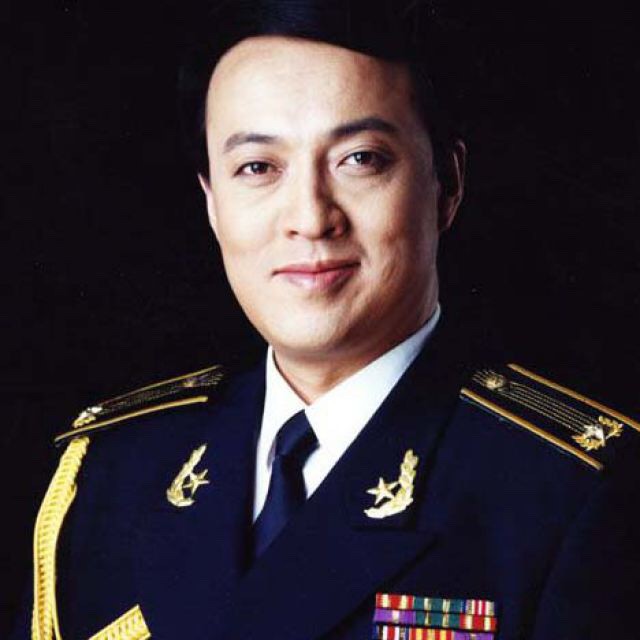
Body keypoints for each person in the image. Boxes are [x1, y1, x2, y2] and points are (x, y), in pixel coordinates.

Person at [15, 2, 639, 639]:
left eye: (360, 159)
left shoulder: (572, 495)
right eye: (258, 168)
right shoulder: (114, 470)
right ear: (213, 204)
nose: (311, 219)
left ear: (446, 184)